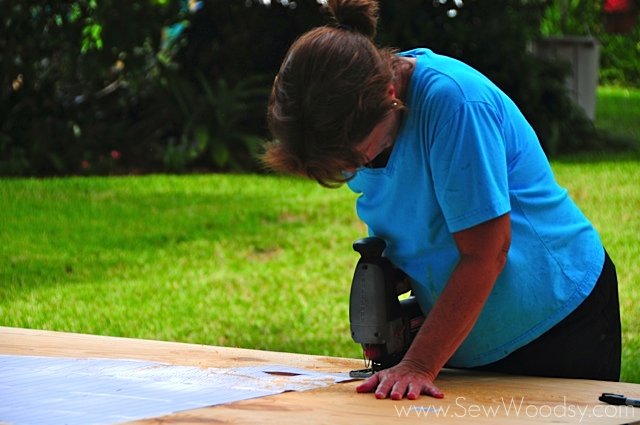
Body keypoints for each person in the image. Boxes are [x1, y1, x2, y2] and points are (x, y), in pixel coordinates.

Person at [262, 0, 622, 400]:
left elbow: (487, 252)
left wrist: (418, 364)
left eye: (357, 155)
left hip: (558, 319)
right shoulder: (352, 116)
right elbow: (415, 214)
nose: (355, 168)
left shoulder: (455, 104)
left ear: (390, 93)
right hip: (472, 337)